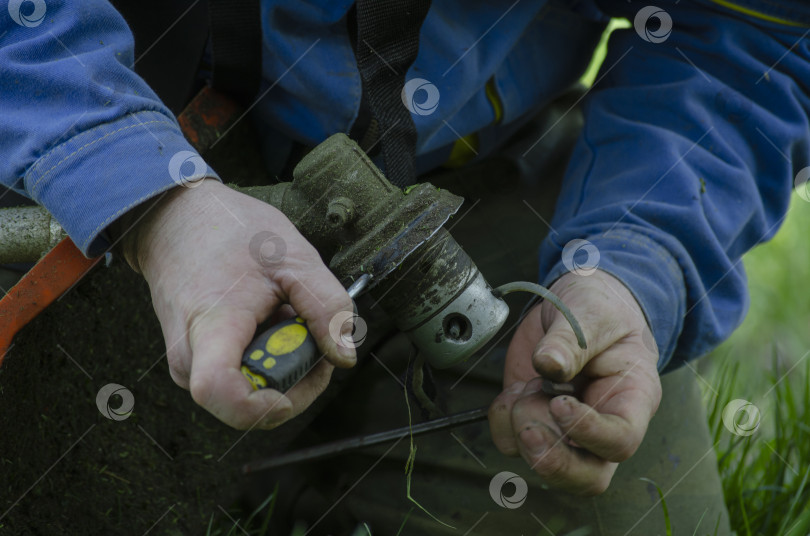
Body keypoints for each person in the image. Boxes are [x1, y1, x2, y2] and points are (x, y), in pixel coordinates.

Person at [2, 0, 809, 533]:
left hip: (462, 179)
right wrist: (142, 192)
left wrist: (632, 260)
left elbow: (761, 34)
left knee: (634, 509)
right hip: (73, 134)